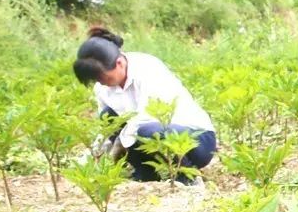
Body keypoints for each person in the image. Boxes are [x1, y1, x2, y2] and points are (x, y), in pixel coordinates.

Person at [72, 27, 217, 184]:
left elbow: (144, 118)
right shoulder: (102, 88)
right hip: (152, 135)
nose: (103, 83)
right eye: (97, 80)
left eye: (104, 77)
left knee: (144, 129)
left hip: (197, 140)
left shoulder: (147, 68)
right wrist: (93, 157)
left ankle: (188, 176)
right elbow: (108, 129)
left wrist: (118, 147)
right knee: (109, 116)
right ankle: (146, 175)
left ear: (119, 63)